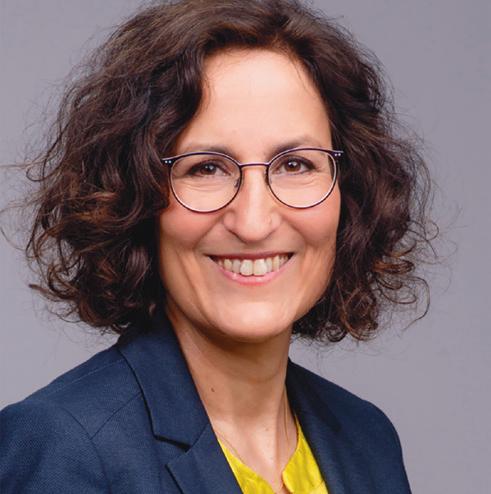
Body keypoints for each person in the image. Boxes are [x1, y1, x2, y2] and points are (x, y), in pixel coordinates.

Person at [0, 0, 435, 492]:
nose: (253, 222)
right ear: (133, 197)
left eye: (295, 165)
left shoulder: (366, 440)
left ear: (348, 193)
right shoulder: (65, 446)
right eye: (206, 168)